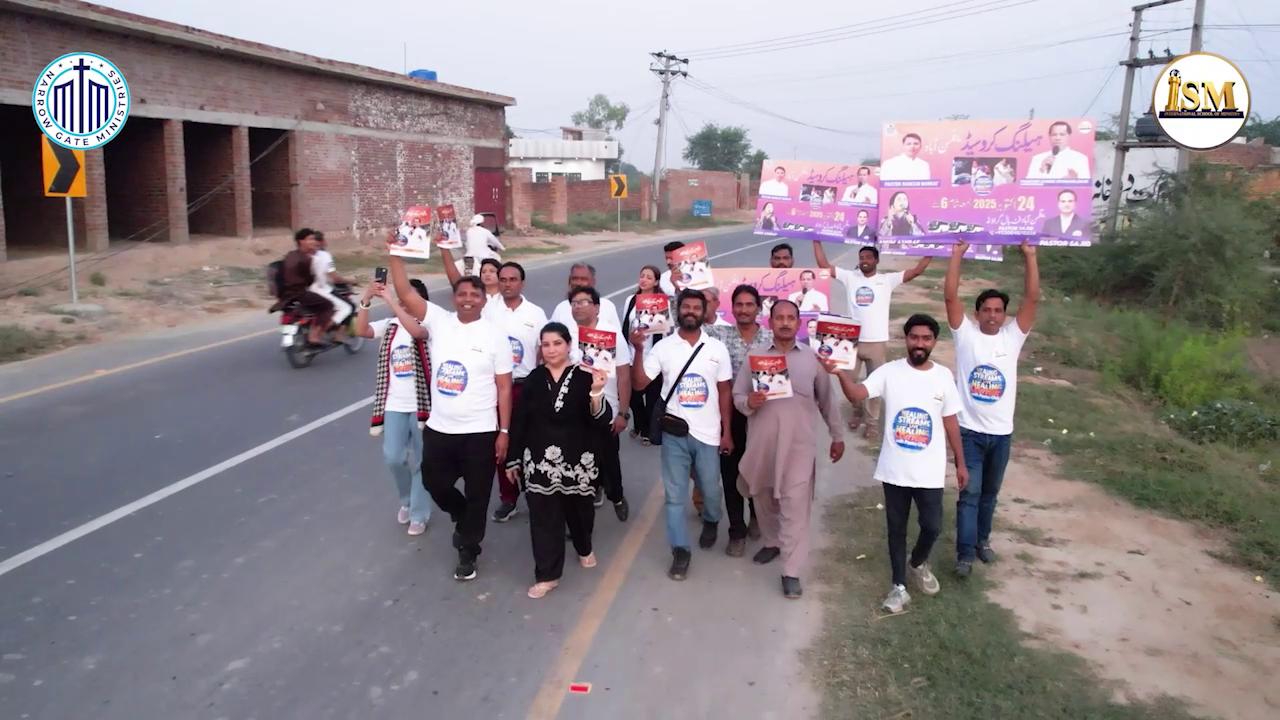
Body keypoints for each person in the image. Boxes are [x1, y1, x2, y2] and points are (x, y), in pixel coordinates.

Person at [822, 314, 968, 614]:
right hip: (895, 469)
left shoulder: (942, 377)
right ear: (906, 339)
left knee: (932, 526)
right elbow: (856, 394)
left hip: (929, 472)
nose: (919, 343)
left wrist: (960, 464)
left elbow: (951, 423)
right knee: (896, 528)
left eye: (926, 339)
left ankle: (917, 562)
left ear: (933, 342)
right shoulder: (889, 372)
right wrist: (838, 372)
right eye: (914, 337)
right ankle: (899, 586)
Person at [387, 249, 514, 582]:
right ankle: (460, 514)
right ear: (454, 298)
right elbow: (405, 294)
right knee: (433, 481)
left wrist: (504, 431)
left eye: (475, 295)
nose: (468, 299)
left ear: (485, 301)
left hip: (481, 432)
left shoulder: (495, 336)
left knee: (478, 495)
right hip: (440, 430)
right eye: (462, 294)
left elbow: (503, 388)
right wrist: (395, 255)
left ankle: (469, 550)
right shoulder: (439, 321)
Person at [734, 300, 844, 598]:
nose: (784, 323)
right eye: (779, 318)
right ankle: (771, 541)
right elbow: (738, 394)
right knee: (764, 497)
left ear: (799, 323)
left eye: (790, 318)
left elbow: (827, 400)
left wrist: (837, 435)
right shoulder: (754, 358)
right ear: (769, 322)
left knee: (795, 506)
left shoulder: (813, 359)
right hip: (763, 445)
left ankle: (791, 571)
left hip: (799, 448)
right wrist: (749, 403)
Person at [944, 238, 1039, 577]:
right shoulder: (965, 335)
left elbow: (1032, 298)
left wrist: (1030, 256)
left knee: (989, 495)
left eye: (999, 310)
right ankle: (965, 554)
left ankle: (983, 541)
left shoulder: (1012, 337)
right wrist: (957, 255)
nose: (993, 315)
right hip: (969, 432)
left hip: (1001, 434)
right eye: (987, 310)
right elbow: (950, 297)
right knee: (969, 494)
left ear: (1004, 315)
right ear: (977, 313)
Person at [630, 289, 734, 580]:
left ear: (704, 312)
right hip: (674, 431)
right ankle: (680, 550)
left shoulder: (716, 348)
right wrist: (638, 350)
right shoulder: (662, 347)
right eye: (685, 306)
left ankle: (712, 520)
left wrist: (726, 432)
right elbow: (639, 383)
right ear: (677, 311)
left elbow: (724, 391)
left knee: (711, 489)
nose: (690, 311)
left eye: (695, 307)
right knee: (675, 496)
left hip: (709, 434)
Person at [505, 323, 612, 599]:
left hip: (579, 459)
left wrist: (597, 392)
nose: (551, 349)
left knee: (579, 511)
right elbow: (521, 420)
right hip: (539, 460)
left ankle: (583, 546)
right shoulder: (533, 378)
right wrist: (514, 459)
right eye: (546, 344)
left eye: (557, 343)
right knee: (543, 517)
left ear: (568, 345)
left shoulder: (586, 376)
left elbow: (600, 420)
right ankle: (547, 574)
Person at [813, 242, 932, 437]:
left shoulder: (887, 280)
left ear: (876, 260)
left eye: (868, 258)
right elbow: (824, 265)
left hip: (876, 342)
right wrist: (816, 240)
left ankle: (871, 424)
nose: (864, 261)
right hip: (850, 343)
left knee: (875, 386)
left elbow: (917, 271)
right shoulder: (850, 277)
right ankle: (857, 411)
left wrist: (931, 251)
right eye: (862, 258)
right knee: (848, 382)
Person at [353, 277, 433, 536]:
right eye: (401, 299)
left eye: (409, 299)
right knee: (393, 456)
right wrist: (366, 298)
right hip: (394, 404)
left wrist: (391, 301)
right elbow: (361, 330)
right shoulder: (389, 326)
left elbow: (418, 332)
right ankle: (406, 499)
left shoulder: (431, 325)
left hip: (424, 405)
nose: (404, 303)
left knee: (423, 461)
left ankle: (419, 513)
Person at [705, 284, 774, 553]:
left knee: (759, 472)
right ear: (731, 308)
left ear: (758, 308)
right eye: (739, 305)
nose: (744, 309)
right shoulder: (717, 334)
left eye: (749, 305)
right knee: (731, 473)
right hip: (729, 415)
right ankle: (737, 532)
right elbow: (688, 317)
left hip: (763, 416)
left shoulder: (771, 339)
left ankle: (757, 516)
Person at [485, 262, 549, 524]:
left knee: (532, 442)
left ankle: (534, 493)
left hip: (526, 386)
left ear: (522, 283)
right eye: (503, 279)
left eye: (512, 279)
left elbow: (543, 352)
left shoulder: (535, 314)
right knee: (502, 442)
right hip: (496, 387)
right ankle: (508, 498)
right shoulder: (487, 310)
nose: (507, 283)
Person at [568, 286, 632, 520]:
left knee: (607, 458)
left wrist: (623, 413)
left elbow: (624, 375)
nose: (578, 307)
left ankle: (616, 495)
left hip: (606, 408)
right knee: (576, 461)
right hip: (574, 412)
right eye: (574, 303)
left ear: (596, 307)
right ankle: (577, 515)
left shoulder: (612, 335)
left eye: (584, 302)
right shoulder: (567, 336)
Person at [622, 265, 668, 444]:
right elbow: (626, 323)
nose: (644, 280)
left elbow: (666, 329)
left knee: (652, 395)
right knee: (632, 394)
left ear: (656, 282)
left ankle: (648, 431)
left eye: (649, 277)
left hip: (653, 354)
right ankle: (640, 423)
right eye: (642, 276)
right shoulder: (631, 300)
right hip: (632, 354)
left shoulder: (662, 302)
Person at [270, 228, 334, 346]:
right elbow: (310, 280)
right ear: (301, 241)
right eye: (310, 239)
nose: (313, 242)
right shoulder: (305, 259)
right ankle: (314, 336)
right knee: (328, 305)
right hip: (298, 293)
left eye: (314, 239)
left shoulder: (290, 255)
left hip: (285, 294)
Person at [309, 231, 355, 342]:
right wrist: (349, 281)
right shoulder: (324, 255)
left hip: (305, 290)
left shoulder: (301, 254)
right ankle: (327, 333)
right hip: (319, 290)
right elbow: (334, 278)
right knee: (348, 307)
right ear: (320, 242)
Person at [549, 263, 622, 328]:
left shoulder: (607, 306)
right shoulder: (561, 308)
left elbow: (616, 337)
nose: (578, 283)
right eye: (575, 278)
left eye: (583, 279)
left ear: (593, 282)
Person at [1025, 121, 1090, 180]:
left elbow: (1086, 186)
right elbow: (1027, 185)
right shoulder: (1038, 158)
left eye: (1062, 135)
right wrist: (1041, 170)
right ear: (1049, 137)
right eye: (1054, 135)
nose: (1057, 138)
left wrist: (1074, 180)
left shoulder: (1080, 159)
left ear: (1069, 136)